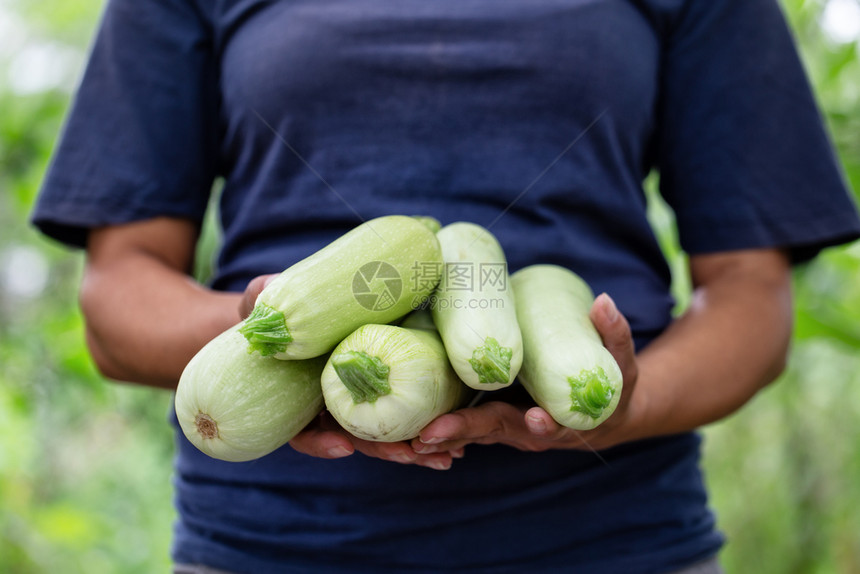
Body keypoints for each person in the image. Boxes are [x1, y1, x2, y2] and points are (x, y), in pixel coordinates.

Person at [31, 0, 860, 572]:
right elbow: (115, 294)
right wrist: (273, 327)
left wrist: (626, 405)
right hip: (266, 542)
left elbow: (751, 292)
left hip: (617, 536)